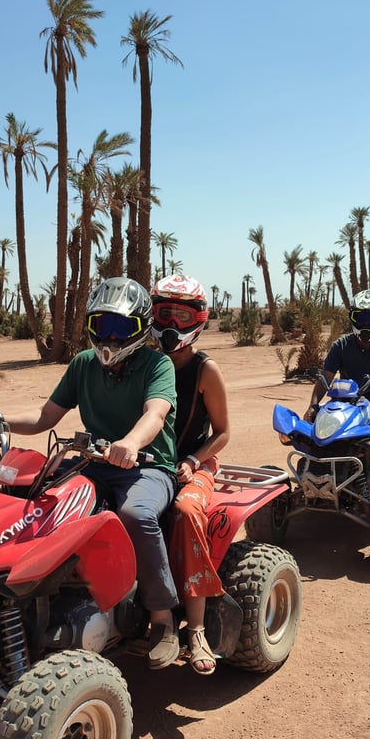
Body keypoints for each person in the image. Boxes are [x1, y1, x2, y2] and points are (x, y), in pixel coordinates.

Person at [0, 277, 183, 670]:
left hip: (146, 467)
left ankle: (162, 617)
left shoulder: (158, 364)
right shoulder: (84, 364)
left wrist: (132, 443)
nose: (110, 337)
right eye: (102, 326)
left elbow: (155, 413)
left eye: (122, 328)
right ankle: (10, 600)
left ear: (141, 327)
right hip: (89, 462)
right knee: (29, 497)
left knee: (136, 514)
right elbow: (46, 416)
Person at [151, 274, 230, 676]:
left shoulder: (204, 370)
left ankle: (196, 628)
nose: (172, 324)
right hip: (149, 461)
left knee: (183, 510)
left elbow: (224, 432)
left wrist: (195, 461)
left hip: (193, 462)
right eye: (165, 313)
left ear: (197, 318)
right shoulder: (142, 359)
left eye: (182, 315)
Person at [304, 289, 370, 456]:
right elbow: (326, 376)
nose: (366, 324)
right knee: (315, 431)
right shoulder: (341, 344)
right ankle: (312, 467)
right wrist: (313, 406)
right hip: (345, 402)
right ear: (351, 317)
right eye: (360, 317)